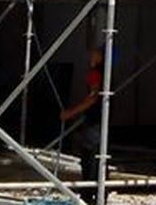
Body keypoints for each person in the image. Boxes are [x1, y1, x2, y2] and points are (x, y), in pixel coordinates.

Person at [59, 47, 104, 202]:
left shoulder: (95, 73)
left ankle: (89, 193)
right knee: (98, 155)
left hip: (93, 120)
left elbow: (92, 98)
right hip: (102, 119)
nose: (89, 57)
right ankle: (97, 193)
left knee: (89, 156)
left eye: (93, 54)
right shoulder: (106, 73)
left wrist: (71, 112)